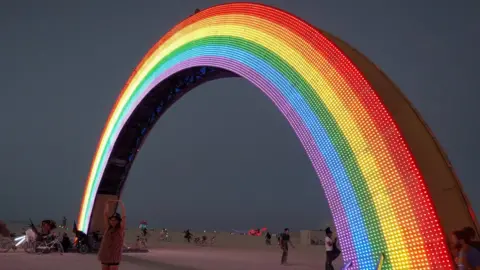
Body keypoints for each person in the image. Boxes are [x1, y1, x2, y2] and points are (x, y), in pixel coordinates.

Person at [97, 200, 126, 270]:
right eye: (111, 220)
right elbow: (105, 214)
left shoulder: (120, 229)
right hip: (105, 253)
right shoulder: (108, 228)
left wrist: (121, 204)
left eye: (115, 220)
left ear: (118, 221)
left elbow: (124, 217)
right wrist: (107, 204)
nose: (113, 222)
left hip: (114, 255)